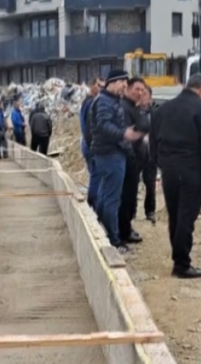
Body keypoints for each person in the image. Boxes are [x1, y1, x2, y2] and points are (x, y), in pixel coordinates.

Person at [151, 73, 201, 279]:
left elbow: (153, 141)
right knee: (186, 216)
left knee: (175, 214)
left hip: (169, 169)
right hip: (192, 169)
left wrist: (160, 165)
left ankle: (178, 258)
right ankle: (181, 264)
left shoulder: (164, 108)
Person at [91, 69, 144, 253]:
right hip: (110, 154)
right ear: (113, 82)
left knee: (106, 197)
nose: (124, 86)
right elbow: (103, 125)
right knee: (112, 200)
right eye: (123, 82)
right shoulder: (105, 101)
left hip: (112, 153)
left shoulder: (110, 100)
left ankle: (102, 231)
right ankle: (114, 241)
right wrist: (124, 133)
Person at [119, 77, 149, 245]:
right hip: (129, 160)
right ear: (128, 89)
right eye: (136, 89)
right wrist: (131, 159)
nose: (139, 93)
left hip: (136, 160)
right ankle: (122, 233)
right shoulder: (124, 108)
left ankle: (127, 228)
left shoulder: (135, 108)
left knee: (131, 197)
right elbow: (125, 136)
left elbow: (144, 127)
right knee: (125, 198)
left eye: (142, 90)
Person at [80, 77, 104, 209]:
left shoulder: (87, 102)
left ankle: (94, 202)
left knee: (95, 174)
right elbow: (89, 128)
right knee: (96, 175)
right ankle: (93, 203)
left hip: (87, 144)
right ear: (92, 86)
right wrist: (94, 146)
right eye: (98, 85)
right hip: (91, 146)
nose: (101, 89)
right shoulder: (91, 104)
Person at [139, 86, 158, 223]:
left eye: (145, 94)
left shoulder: (156, 112)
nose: (142, 96)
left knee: (150, 183)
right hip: (135, 152)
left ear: (150, 97)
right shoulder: (133, 111)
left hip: (151, 153)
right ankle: (130, 212)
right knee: (131, 183)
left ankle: (150, 210)